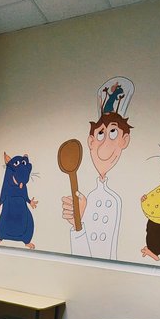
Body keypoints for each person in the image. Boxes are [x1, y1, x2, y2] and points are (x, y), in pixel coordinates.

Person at [61, 111, 132, 259]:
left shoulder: (118, 198)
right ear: (91, 142)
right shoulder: (91, 198)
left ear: (124, 141)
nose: (105, 143)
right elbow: (82, 259)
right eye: (100, 134)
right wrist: (77, 224)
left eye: (113, 132)